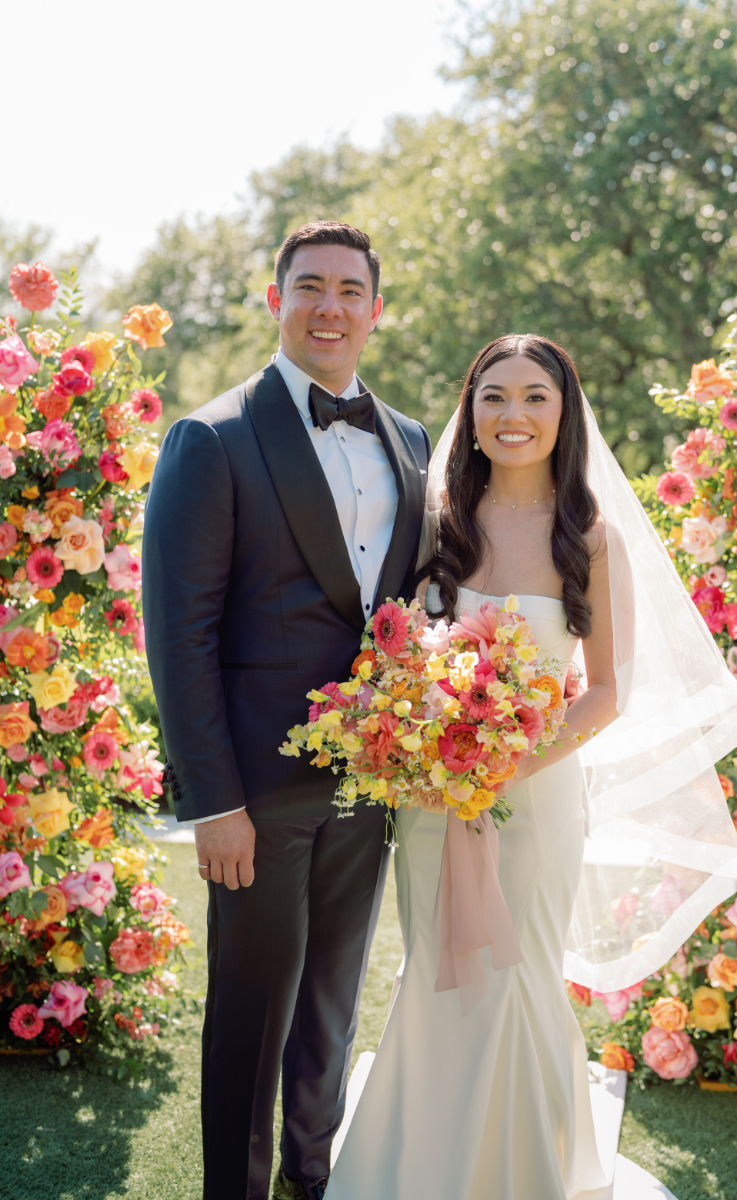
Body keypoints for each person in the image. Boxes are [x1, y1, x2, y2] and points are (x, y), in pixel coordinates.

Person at [326, 333, 737, 1200]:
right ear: (469, 413)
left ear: (565, 415)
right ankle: (426, 1162)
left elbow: (604, 694)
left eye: (534, 398)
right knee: (438, 966)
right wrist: (424, 745)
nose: (512, 415)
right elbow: (397, 652)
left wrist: (501, 766)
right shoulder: (435, 520)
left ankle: (526, 1172)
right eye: (493, 397)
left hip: (537, 795)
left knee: (520, 970)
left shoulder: (589, 539)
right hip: (432, 796)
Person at [142, 221, 431, 1200]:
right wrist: (212, 802)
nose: (330, 306)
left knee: (327, 1018)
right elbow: (177, 635)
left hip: (368, 786)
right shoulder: (210, 438)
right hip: (255, 797)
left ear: (374, 310)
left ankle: (313, 1186)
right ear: (277, 299)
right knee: (250, 1022)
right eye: (309, 285)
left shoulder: (413, 441)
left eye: (350, 290)